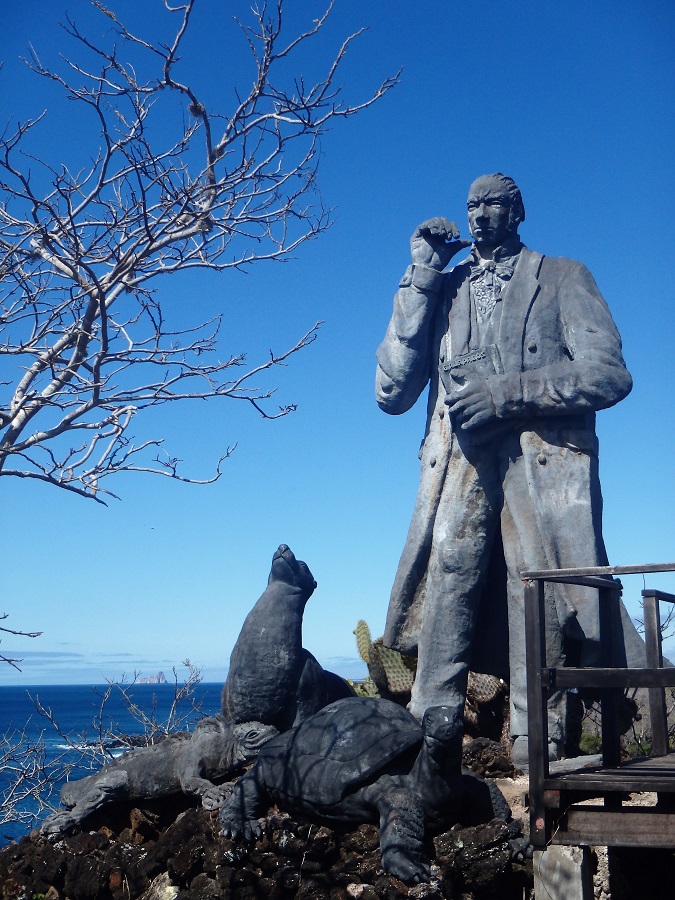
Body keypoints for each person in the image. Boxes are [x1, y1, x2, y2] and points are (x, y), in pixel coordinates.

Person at [375, 173, 635, 763]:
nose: (479, 215)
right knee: (451, 571)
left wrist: (508, 393)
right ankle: (428, 724)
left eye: (492, 203)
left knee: (536, 585)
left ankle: (534, 739)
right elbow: (391, 390)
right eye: (471, 205)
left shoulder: (564, 277)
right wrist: (420, 276)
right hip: (459, 462)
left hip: (536, 460)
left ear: (518, 211)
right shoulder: (443, 288)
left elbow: (609, 374)